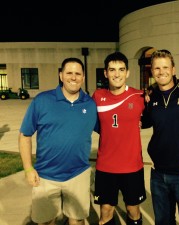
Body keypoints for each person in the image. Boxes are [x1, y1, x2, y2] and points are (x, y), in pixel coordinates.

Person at [19, 57, 99, 225]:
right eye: (69, 73)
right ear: (61, 75)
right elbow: (25, 135)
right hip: (46, 176)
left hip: (79, 174)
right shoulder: (42, 101)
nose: (73, 77)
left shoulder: (90, 105)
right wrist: (28, 168)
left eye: (78, 73)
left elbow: (110, 129)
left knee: (77, 220)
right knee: (46, 221)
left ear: (83, 77)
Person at [142, 49, 179, 225]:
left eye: (166, 67)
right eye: (157, 68)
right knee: (163, 222)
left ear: (173, 69)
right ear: (152, 71)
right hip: (158, 173)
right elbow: (142, 122)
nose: (162, 72)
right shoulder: (151, 98)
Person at [92, 51, 146, 225]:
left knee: (133, 209)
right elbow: (92, 123)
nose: (117, 74)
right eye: (112, 70)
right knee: (106, 211)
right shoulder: (97, 96)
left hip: (132, 166)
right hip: (106, 166)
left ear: (127, 72)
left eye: (121, 69)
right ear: (106, 73)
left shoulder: (139, 96)